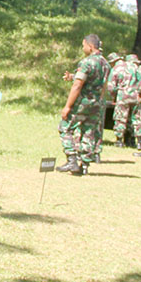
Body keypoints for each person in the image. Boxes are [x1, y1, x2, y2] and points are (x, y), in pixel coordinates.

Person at [55, 34, 109, 176]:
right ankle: (84, 165)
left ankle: (72, 159)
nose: (82, 48)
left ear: (90, 46)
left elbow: (78, 85)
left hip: (83, 103)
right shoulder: (105, 64)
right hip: (96, 104)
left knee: (64, 127)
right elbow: (102, 85)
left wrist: (67, 106)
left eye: (83, 45)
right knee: (89, 132)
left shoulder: (87, 62)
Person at [106, 52, 141, 148]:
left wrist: (114, 96)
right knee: (134, 119)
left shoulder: (116, 69)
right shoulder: (134, 66)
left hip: (123, 96)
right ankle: (134, 141)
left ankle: (119, 141)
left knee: (120, 118)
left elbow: (111, 87)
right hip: (135, 96)